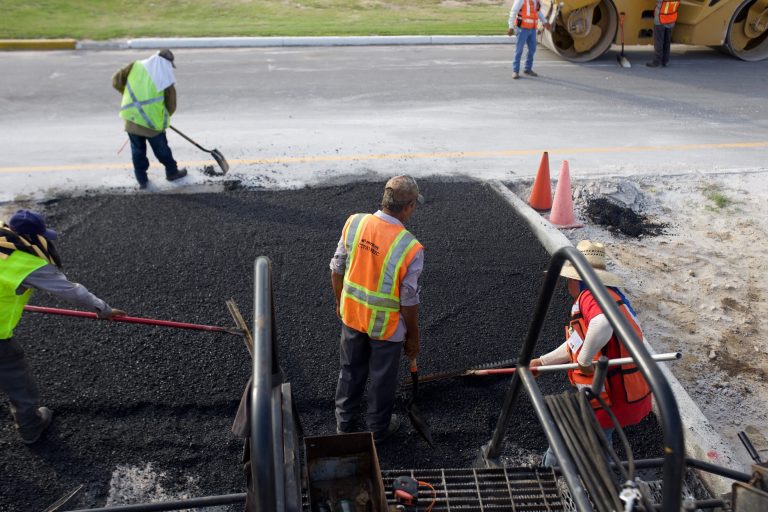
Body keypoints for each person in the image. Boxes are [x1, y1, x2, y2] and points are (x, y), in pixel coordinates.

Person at [0, 210, 125, 444]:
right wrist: (104, 310)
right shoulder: (25, 262)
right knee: (14, 372)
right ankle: (30, 426)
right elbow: (71, 290)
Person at [530, 240, 652, 466]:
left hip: (610, 395)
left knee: (564, 429)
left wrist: (585, 360)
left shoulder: (591, 297)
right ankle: (601, 478)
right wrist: (542, 362)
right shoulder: (610, 296)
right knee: (598, 438)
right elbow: (576, 344)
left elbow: (602, 324)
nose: (566, 284)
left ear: (577, 279)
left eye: (568, 279)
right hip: (626, 393)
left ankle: (551, 477)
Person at [330, 176, 425, 443]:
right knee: (382, 379)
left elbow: (337, 267)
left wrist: (340, 302)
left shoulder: (355, 223)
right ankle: (377, 429)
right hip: (385, 327)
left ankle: (345, 424)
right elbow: (408, 299)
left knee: (349, 370)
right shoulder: (409, 246)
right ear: (408, 207)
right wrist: (413, 337)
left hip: (352, 316)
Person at [112, 49, 187, 189]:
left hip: (131, 119)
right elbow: (171, 105)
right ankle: (172, 172)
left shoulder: (134, 66)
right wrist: (163, 118)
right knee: (162, 150)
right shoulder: (164, 77)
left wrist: (130, 96)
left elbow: (116, 81)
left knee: (137, 151)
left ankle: (142, 180)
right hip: (152, 123)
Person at [507, 0, 552, 80]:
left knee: (532, 49)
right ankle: (515, 71)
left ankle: (527, 69)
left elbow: (538, 12)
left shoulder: (537, 1)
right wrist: (510, 27)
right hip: (522, 29)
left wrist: (545, 22)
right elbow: (514, 11)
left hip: (532, 29)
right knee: (519, 50)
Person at [647, 0, 679, 67]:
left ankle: (656, 61)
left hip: (660, 19)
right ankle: (665, 61)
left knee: (659, 41)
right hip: (671, 18)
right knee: (667, 41)